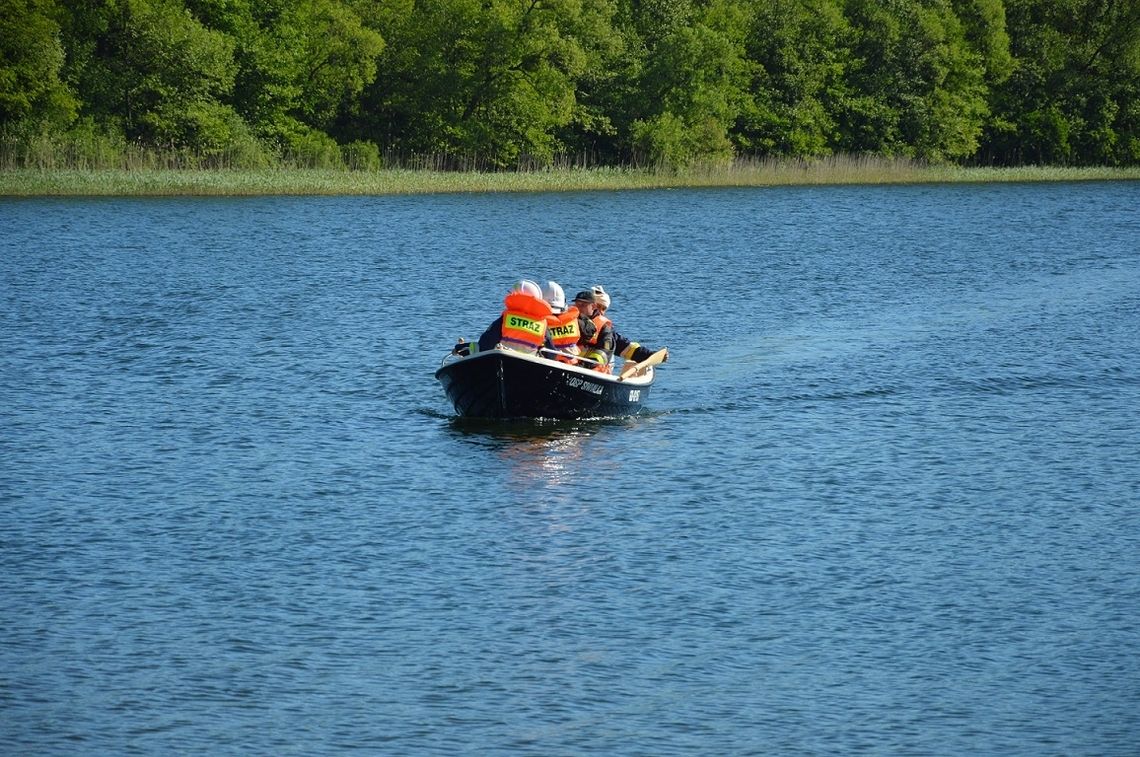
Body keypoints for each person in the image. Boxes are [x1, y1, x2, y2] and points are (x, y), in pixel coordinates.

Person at [452, 280, 553, 356]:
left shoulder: (505, 320)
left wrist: (460, 348)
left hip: (504, 361)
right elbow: (552, 354)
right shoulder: (543, 325)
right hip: (530, 369)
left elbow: (484, 346)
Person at [592, 284, 668, 367]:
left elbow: (626, 348)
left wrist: (651, 355)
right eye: (597, 306)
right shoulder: (576, 322)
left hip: (592, 371)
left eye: (603, 309)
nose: (600, 312)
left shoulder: (604, 329)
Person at [542, 281, 584, 363]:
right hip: (573, 362)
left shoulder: (541, 321)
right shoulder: (575, 319)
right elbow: (590, 331)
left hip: (551, 361)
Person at [575, 288, 614, 372]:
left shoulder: (604, 328)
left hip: (590, 370)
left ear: (593, 306)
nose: (579, 308)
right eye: (577, 304)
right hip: (569, 363)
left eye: (583, 305)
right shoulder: (571, 319)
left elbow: (603, 353)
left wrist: (585, 365)